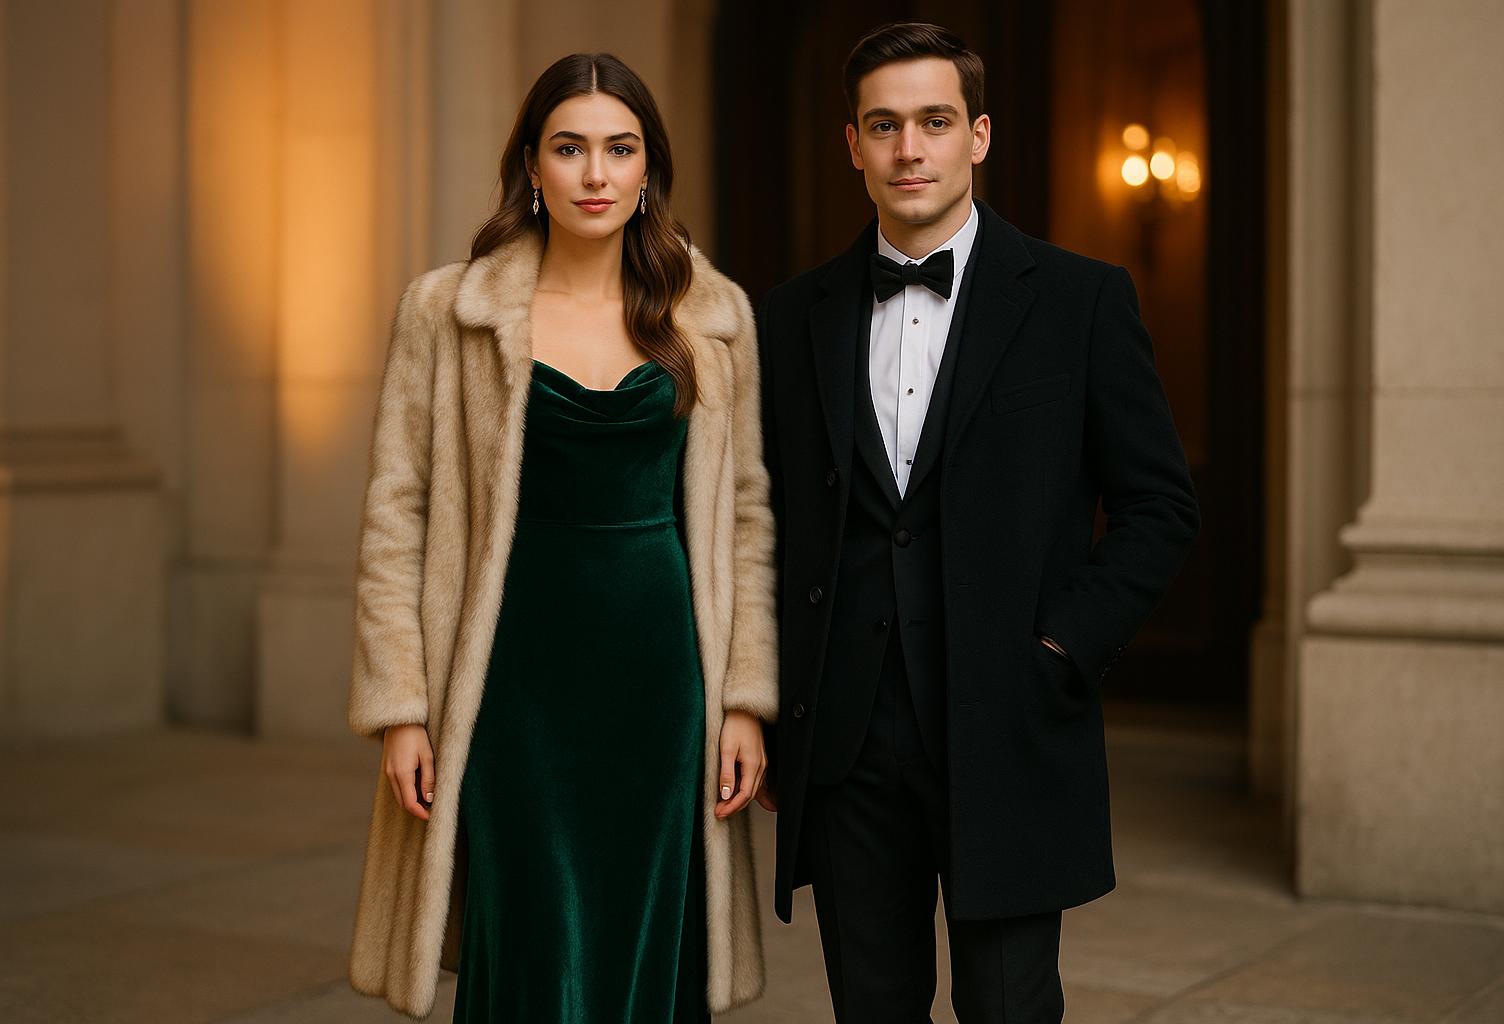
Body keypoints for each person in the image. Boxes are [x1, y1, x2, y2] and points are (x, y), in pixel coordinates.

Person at [756, 21, 1201, 1023]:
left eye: (934, 121)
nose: (909, 148)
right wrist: (772, 700)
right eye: (884, 125)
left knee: (1009, 1007)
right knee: (872, 1006)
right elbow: (767, 520)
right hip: (850, 741)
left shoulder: (1082, 301)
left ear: (980, 135)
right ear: (853, 145)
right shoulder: (792, 318)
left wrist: (1061, 645)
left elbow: (1160, 508)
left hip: (1010, 722)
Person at [343, 52, 778, 1023]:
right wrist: (402, 706)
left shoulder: (713, 318)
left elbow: (748, 512)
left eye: (619, 150)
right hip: (506, 683)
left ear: (647, 169)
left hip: (665, 683)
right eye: (570, 147)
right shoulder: (447, 312)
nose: (595, 174)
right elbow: (395, 510)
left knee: (645, 928)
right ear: (530, 167)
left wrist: (746, 699)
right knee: (532, 928)